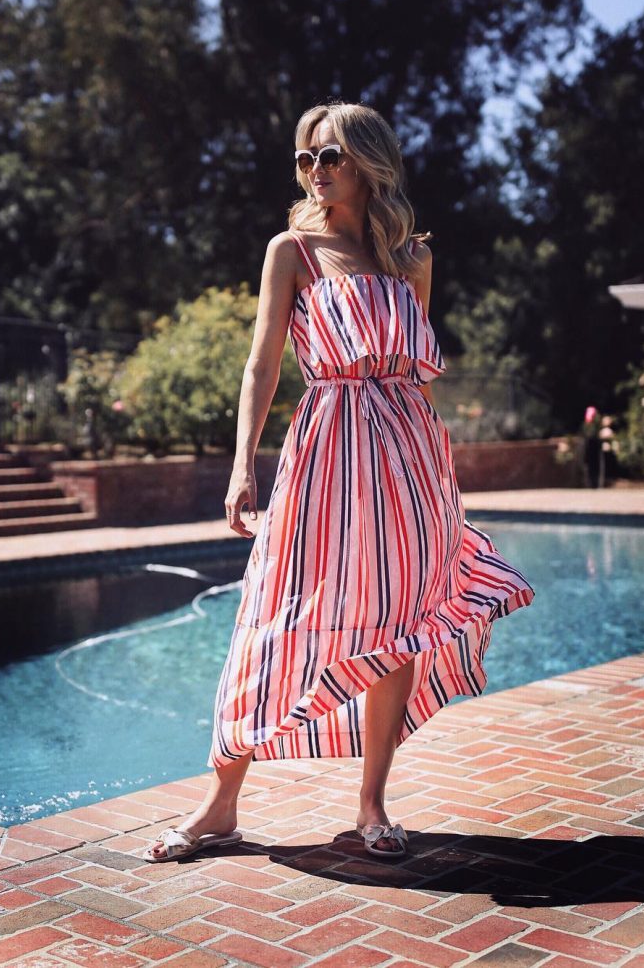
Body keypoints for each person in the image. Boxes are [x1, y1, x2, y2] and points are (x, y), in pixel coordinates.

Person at [144, 101, 536, 863]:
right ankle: (221, 804)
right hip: (326, 447)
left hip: (410, 458)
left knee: (401, 617)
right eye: (305, 158)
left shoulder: (411, 260)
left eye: (330, 156)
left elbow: (415, 371)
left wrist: (436, 478)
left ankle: (372, 803)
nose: (315, 170)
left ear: (368, 162)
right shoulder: (292, 250)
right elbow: (262, 364)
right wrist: (242, 465)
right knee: (274, 612)